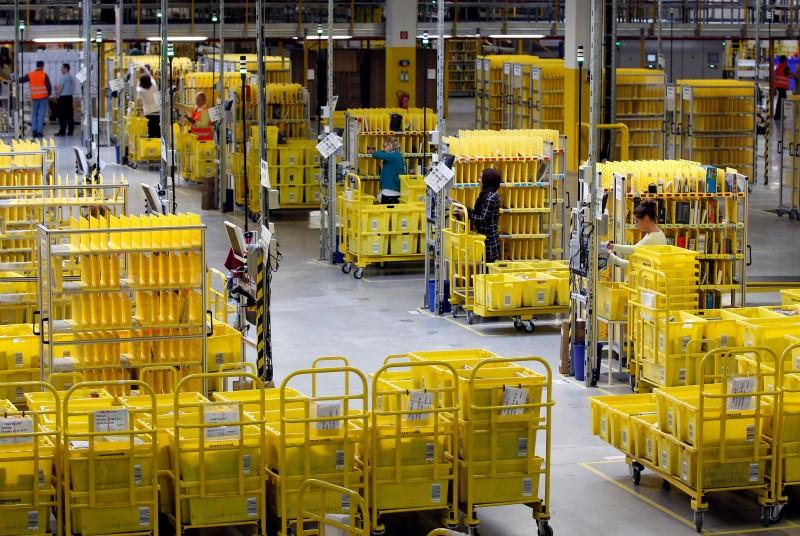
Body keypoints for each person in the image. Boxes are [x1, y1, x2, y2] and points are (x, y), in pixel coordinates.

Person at [454, 168, 502, 263]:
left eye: (481, 177)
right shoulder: (485, 195)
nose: (478, 180)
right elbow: (478, 213)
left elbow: (483, 219)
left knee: (487, 269)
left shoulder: (491, 197)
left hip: (488, 240)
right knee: (482, 268)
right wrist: (463, 206)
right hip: (482, 237)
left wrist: (466, 214)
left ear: (487, 180)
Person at [607, 200, 667, 269]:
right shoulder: (658, 233)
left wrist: (611, 257)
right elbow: (634, 249)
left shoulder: (652, 238)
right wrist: (612, 247)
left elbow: (632, 253)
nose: (635, 225)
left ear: (646, 219)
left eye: (637, 221)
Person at [367, 137, 405, 204]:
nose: (384, 147)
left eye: (385, 146)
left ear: (390, 146)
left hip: (390, 192)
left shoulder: (392, 156)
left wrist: (383, 151)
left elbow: (376, 155)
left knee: (387, 213)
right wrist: (385, 151)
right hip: (394, 191)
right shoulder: (398, 155)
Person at [19, 60, 52, 138]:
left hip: (34, 98)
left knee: (34, 115)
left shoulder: (31, 75)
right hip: (43, 97)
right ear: (42, 66)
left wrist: (14, 80)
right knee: (41, 115)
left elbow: (21, 80)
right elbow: (49, 87)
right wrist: (48, 94)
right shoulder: (44, 75)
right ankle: (39, 132)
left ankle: (34, 131)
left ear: (36, 66)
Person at [136, 67, 160, 138]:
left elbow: (138, 85)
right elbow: (150, 76)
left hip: (148, 112)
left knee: (150, 131)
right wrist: (145, 68)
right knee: (157, 129)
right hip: (157, 110)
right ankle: (159, 145)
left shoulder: (141, 90)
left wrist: (140, 75)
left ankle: (151, 145)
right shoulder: (154, 86)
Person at [54, 63, 75, 136]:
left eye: (62, 68)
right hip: (69, 97)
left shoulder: (63, 77)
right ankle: (70, 131)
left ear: (66, 69)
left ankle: (62, 131)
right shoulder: (70, 77)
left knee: (62, 115)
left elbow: (60, 88)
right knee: (69, 115)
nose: (61, 69)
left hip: (63, 98)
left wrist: (57, 94)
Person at [773, 55, 792, 121]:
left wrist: (774, 87)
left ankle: (778, 115)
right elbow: (790, 75)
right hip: (783, 87)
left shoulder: (778, 67)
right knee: (782, 102)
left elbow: (775, 77)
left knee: (780, 101)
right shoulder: (786, 67)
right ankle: (778, 116)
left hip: (778, 86)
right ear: (784, 60)